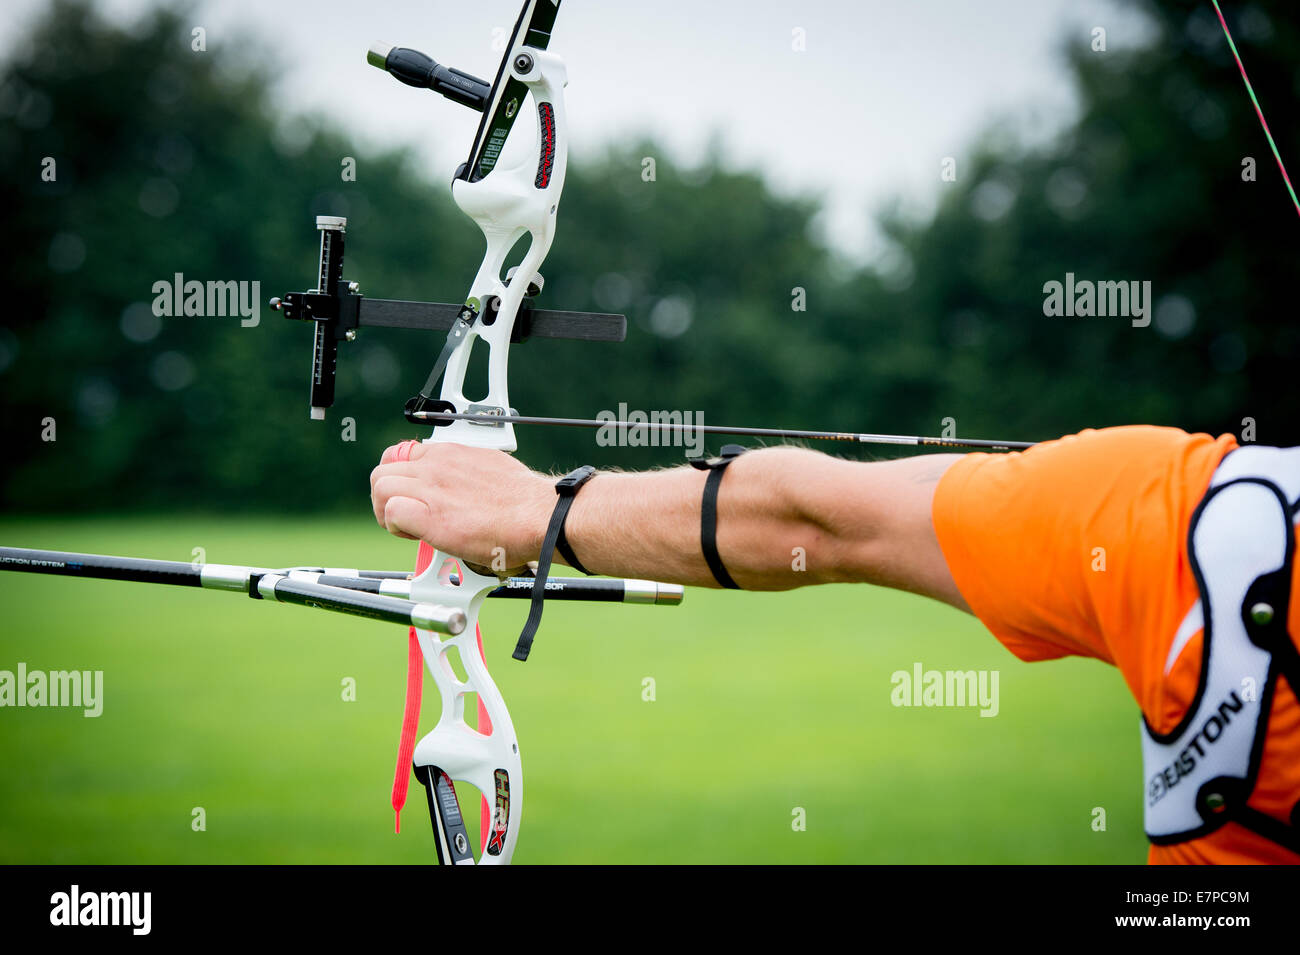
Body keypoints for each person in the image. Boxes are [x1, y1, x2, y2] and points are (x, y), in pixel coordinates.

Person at [370, 423, 1300, 864]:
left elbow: (817, 516)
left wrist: (541, 509)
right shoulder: (1191, 521)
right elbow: (811, 517)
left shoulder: (1206, 524)